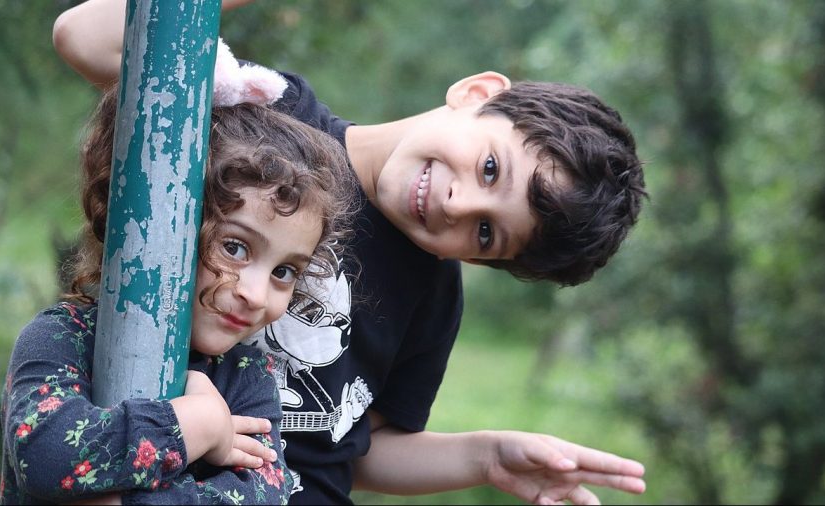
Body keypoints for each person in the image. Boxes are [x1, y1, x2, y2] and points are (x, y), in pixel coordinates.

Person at [52, 1, 649, 504]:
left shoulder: (432, 295)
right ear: (476, 94)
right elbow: (85, 38)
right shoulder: (269, 121)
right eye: (491, 168)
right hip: (144, 459)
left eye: (487, 234)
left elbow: (363, 449)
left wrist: (485, 455)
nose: (457, 203)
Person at [0, 46, 358, 505]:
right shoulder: (61, 337)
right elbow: (47, 456)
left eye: (285, 271)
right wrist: (194, 426)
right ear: (162, 226)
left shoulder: (248, 377)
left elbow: (263, 495)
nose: (255, 293)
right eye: (234, 247)